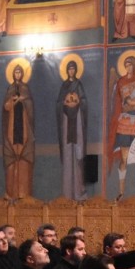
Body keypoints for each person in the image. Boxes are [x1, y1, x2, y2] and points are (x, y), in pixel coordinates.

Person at [107, 54, 135, 198]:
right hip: (125, 123)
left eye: (130, 64)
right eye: (126, 65)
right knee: (124, 159)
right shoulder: (121, 82)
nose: (128, 67)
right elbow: (128, 102)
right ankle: (121, 193)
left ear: (134, 66)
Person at [2, 62, 35, 199]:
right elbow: (5, 107)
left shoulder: (25, 88)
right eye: (15, 72)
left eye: (19, 72)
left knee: (23, 159)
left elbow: (30, 107)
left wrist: (23, 100)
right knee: (12, 158)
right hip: (12, 129)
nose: (17, 74)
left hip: (23, 128)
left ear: (22, 74)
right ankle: (12, 193)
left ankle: (23, 193)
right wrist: (12, 101)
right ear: (12, 74)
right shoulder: (10, 89)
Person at [56, 58, 88, 200]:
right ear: (66, 71)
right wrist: (65, 103)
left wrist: (78, 101)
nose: (71, 71)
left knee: (78, 155)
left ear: (76, 70)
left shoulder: (78, 84)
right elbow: (58, 103)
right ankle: (67, 193)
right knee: (68, 154)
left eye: (73, 68)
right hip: (67, 122)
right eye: (69, 69)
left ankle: (78, 191)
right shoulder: (64, 85)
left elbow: (84, 102)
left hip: (77, 123)